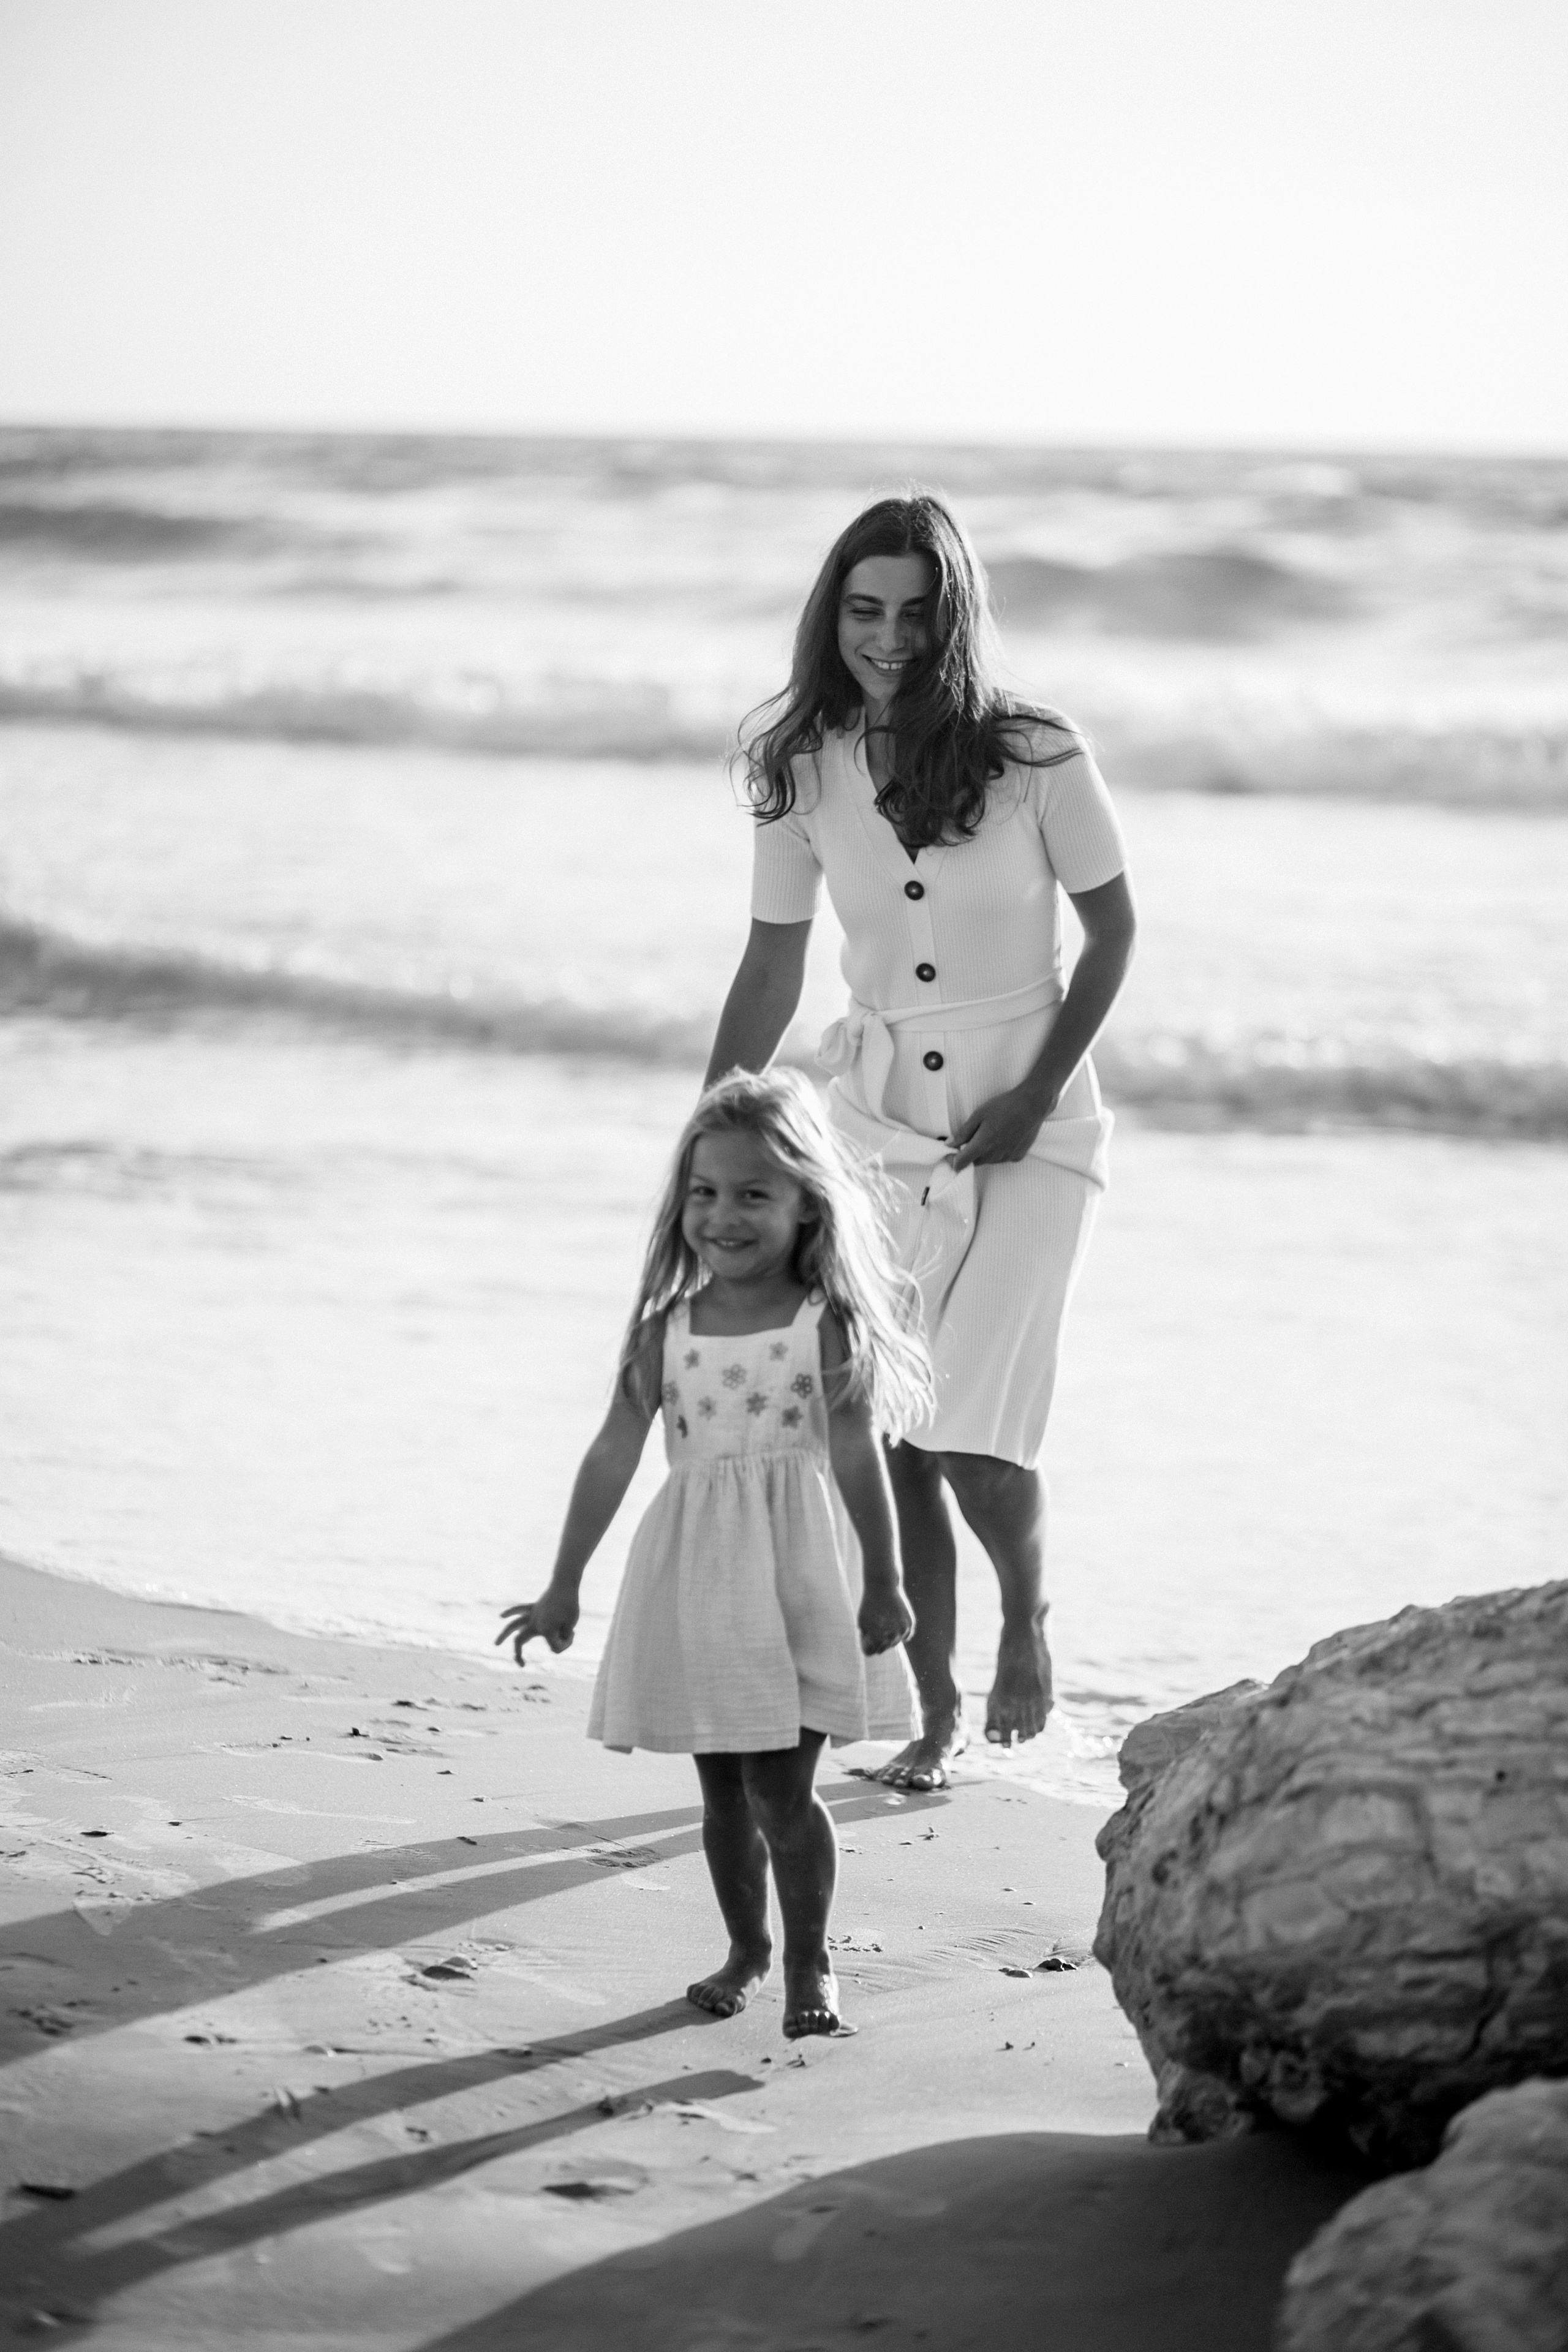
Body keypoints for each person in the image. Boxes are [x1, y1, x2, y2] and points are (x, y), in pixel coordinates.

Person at [705, 492, 1137, 1792]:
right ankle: (936, 1718)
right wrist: (716, 1121)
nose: (885, 637)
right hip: (874, 1127)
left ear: (949, 619)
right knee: (892, 1434)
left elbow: (1113, 935)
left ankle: (1029, 1620)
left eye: (911, 612)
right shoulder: (797, 764)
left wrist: (1037, 1093)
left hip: (1034, 1127)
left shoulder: (1035, 753)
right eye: (861, 609)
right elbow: (772, 964)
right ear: (830, 614)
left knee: (971, 1439)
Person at [498, 1068, 931, 2038]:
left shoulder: (827, 1326)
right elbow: (613, 1452)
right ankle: (747, 1946)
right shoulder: (667, 1328)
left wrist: (888, 1578)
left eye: (752, 1193)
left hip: (803, 1578)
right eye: (704, 1191)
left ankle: (810, 1964)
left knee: (784, 1789)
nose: (722, 1215)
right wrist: (564, 1583)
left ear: (807, 1207)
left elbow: (860, 1455)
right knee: (723, 1791)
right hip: (699, 1580)